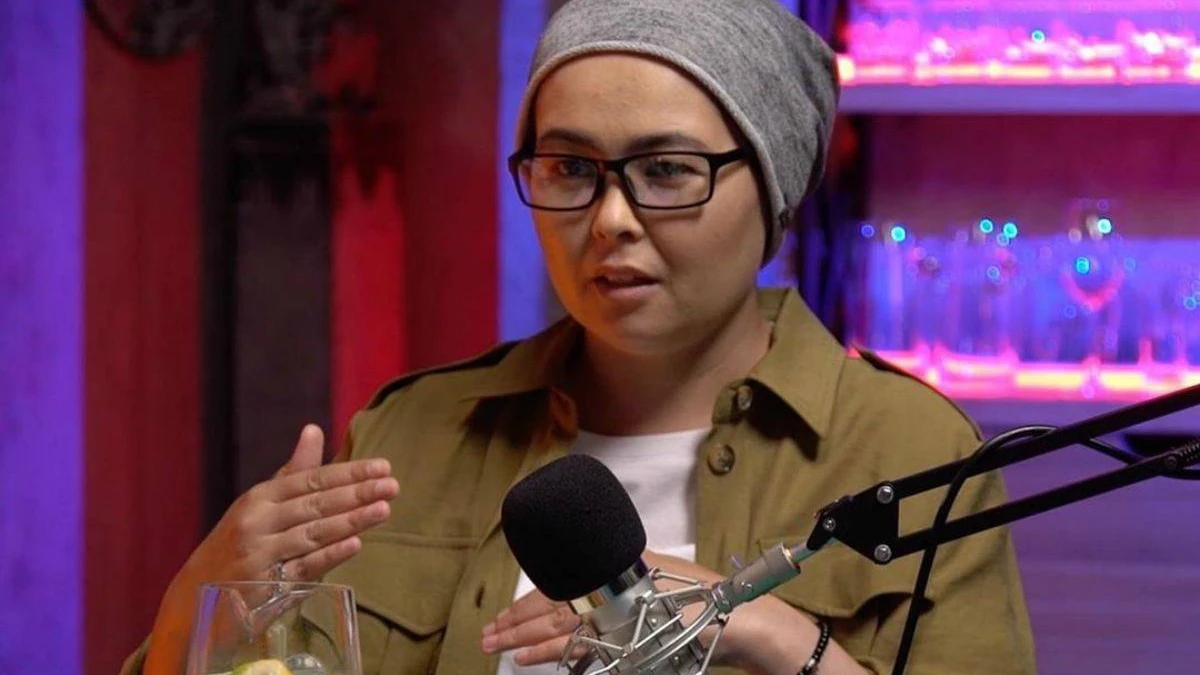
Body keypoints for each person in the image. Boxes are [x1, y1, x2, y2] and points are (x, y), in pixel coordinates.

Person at [124, 0, 1037, 673]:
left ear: (774, 189)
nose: (609, 219)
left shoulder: (910, 453)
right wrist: (196, 614)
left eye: (667, 169)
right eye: (569, 167)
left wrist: (771, 634)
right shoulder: (412, 432)